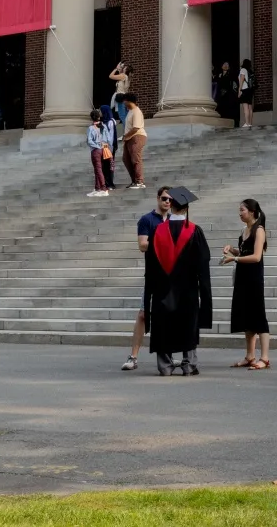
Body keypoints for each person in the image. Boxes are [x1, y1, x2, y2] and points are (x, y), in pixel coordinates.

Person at [146, 187, 212, 375]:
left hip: (162, 290)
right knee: (188, 324)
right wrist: (204, 292)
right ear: (186, 207)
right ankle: (188, 365)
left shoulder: (158, 231)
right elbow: (203, 264)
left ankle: (165, 366)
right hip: (188, 290)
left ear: (171, 205)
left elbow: (150, 265)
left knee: (163, 324)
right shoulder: (195, 231)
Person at [123, 187, 172, 371]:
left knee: (169, 315)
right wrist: (163, 240)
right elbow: (143, 245)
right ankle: (133, 356)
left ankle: (167, 355)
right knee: (144, 314)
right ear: (158, 198)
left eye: (170, 200)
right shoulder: (147, 220)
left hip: (171, 274)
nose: (168, 202)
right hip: (153, 274)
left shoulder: (175, 220)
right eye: (165, 198)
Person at [223, 198, 270, 369]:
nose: (240, 213)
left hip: (254, 277)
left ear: (252, 212)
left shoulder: (259, 230)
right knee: (246, 315)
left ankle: (264, 358)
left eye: (242, 210)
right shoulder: (245, 230)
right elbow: (244, 251)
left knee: (258, 316)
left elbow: (256, 256)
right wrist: (232, 250)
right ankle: (250, 356)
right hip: (242, 276)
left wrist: (234, 258)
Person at [117, 81, 147, 190]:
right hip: (129, 138)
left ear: (129, 101)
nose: (124, 103)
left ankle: (140, 181)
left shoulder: (136, 111)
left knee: (135, 157)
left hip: (137, 136)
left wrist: (126, 136)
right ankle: (134, 180)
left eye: (125, 101)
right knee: (126, 159)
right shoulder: (130, 111)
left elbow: (136, 128)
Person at [86, 109, 113, 197]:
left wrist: (97, 146)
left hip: (96, 150)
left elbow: (89, 141)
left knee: (98, 169)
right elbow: (109, 139)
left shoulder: (91, 128)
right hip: (104, 149)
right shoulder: (103, 126)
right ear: (99, 117)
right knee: (99, 169)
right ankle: (97, 188)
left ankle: (103, 188)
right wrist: (106, 147)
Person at [235, 60, 254, 128]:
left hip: (244, 90)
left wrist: (239, 90)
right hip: (250, 90)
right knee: (250, 107)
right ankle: (250, 123)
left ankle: (247, 122)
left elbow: (242, 79)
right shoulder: (249, 70)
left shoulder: (243, 70)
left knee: (245, 107)